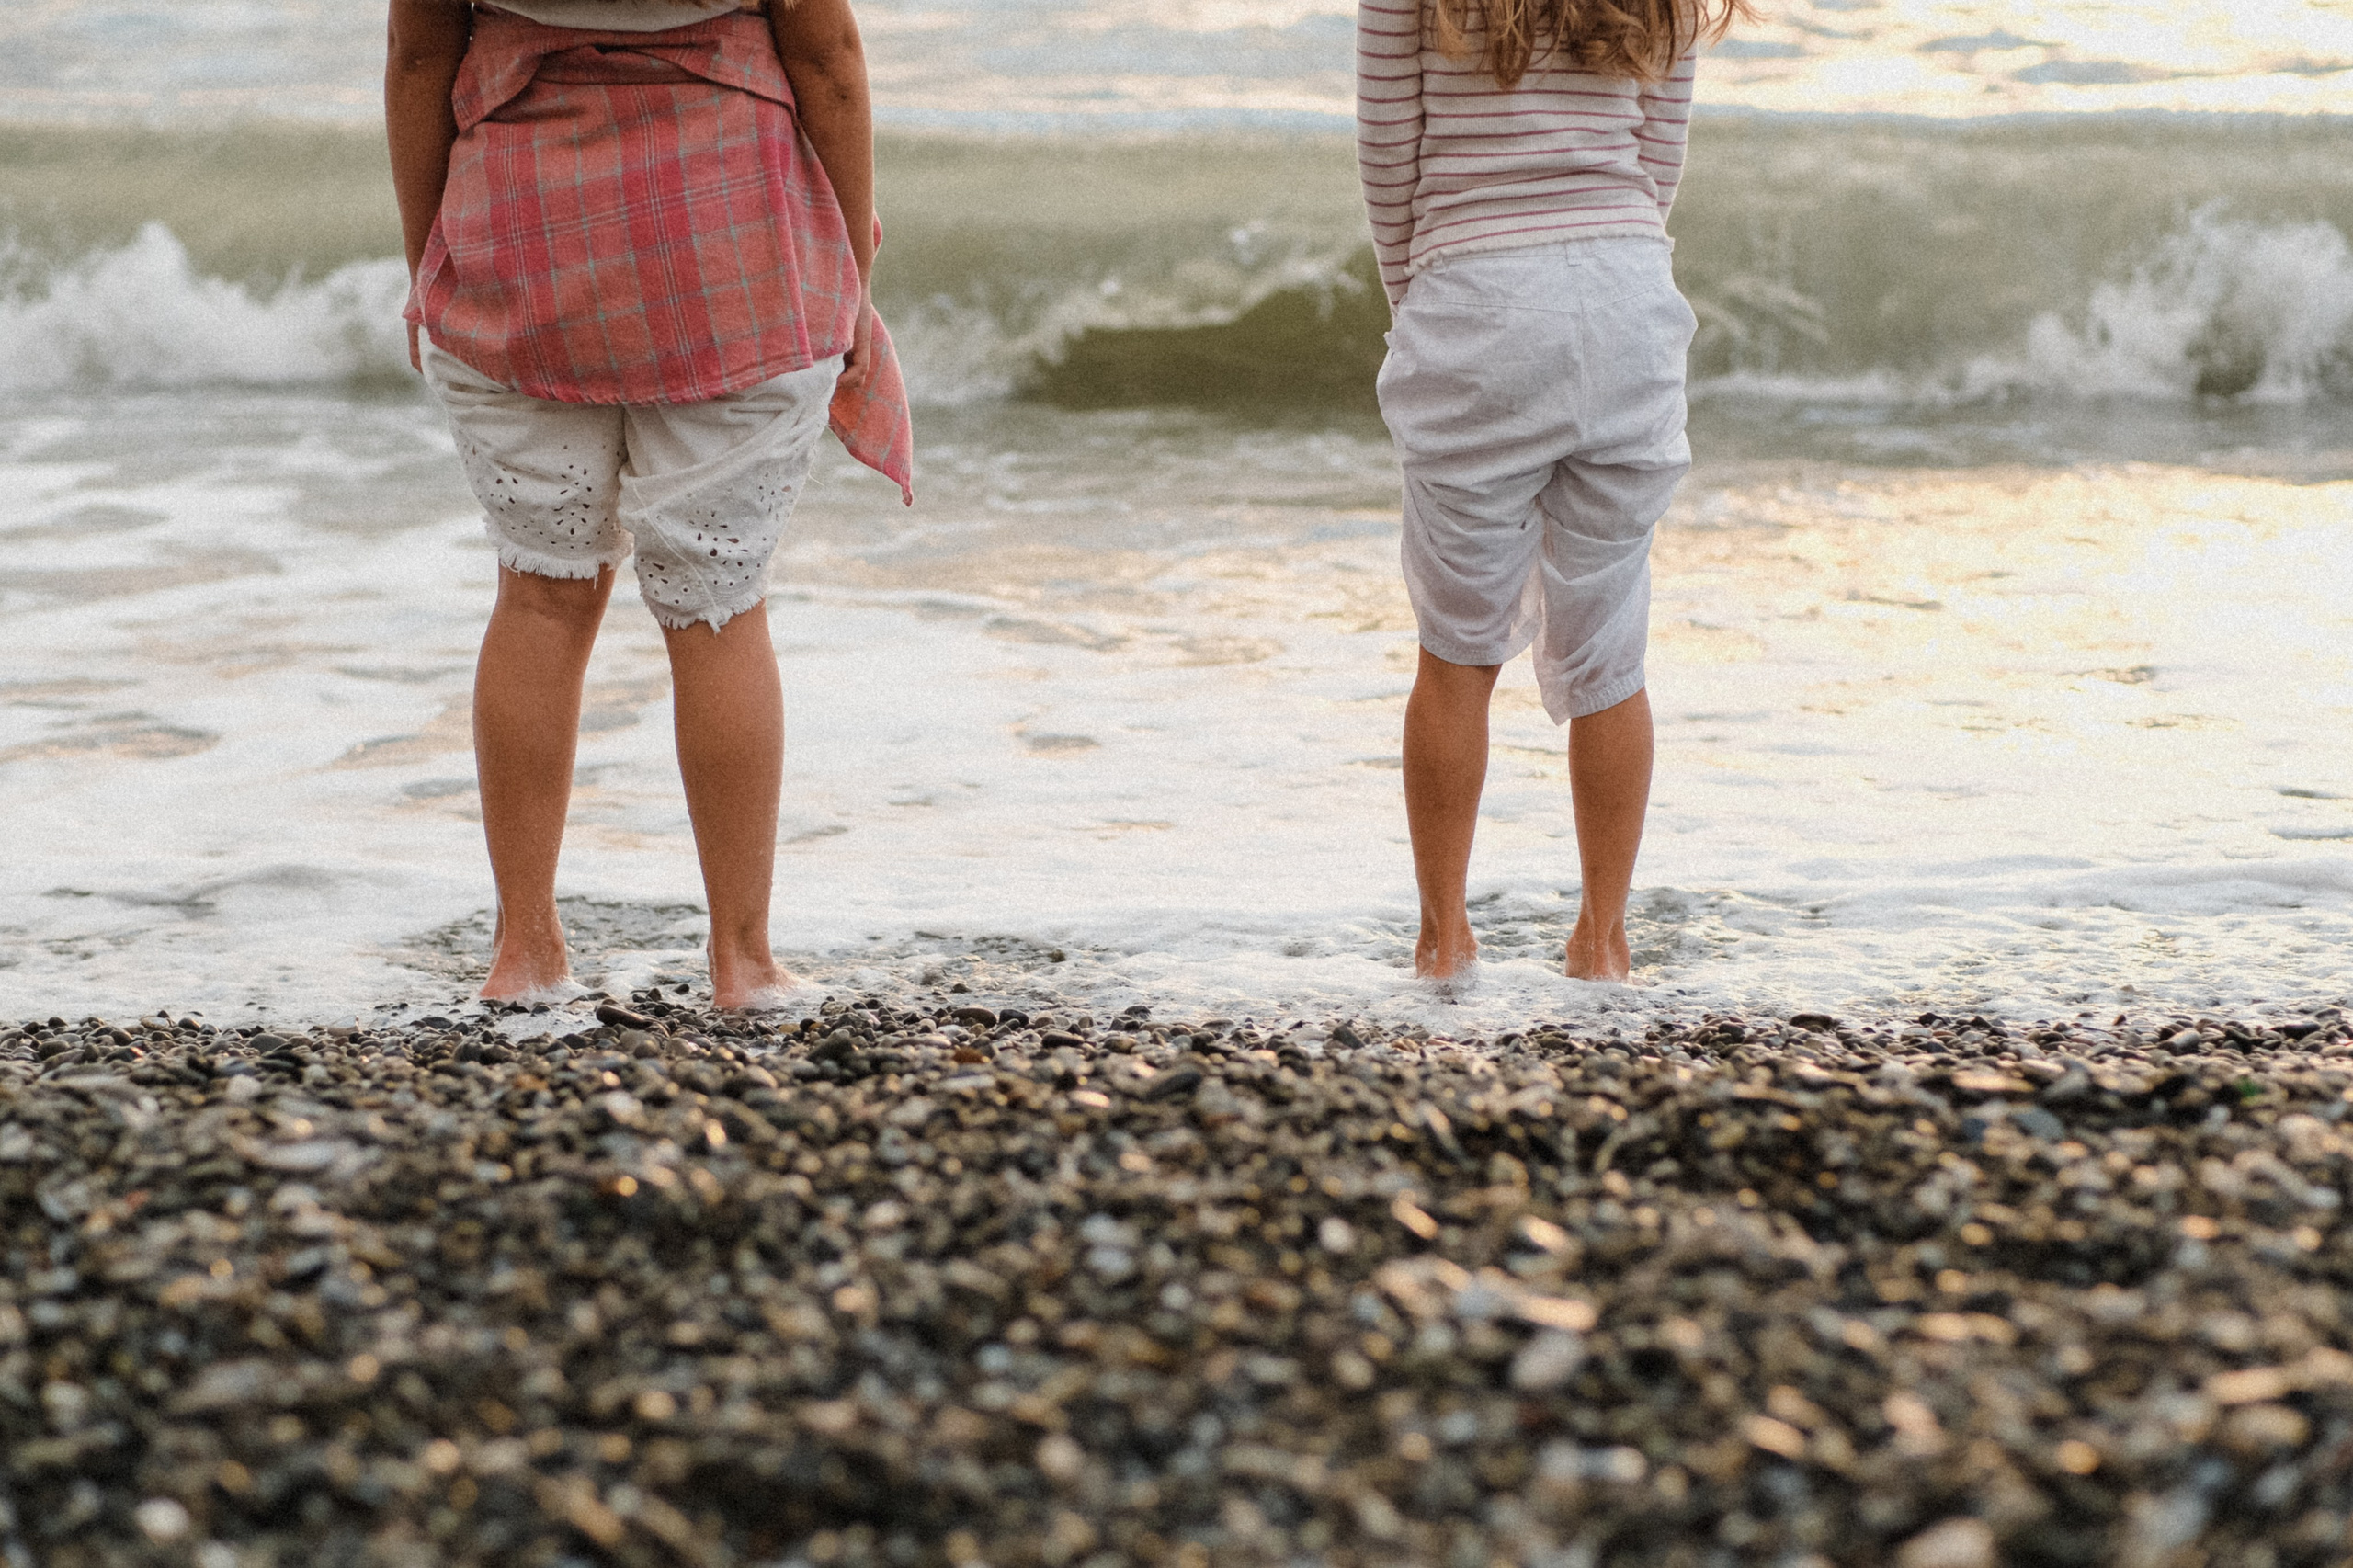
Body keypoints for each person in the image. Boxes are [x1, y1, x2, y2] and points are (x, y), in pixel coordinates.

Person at [385, 0, 911, 1008]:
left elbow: (418, 57)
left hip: (517, 243)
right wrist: (849, 266)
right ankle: (743, 961)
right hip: (735, 246)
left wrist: (427, 263)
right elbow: (828, 58)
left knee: (540, 593)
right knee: (715, 603)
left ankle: (525, 952)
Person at [1357, 0, 1747, 987]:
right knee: (1610, 642)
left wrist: (1423, 302)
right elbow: (1661, 155)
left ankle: (1443, 942)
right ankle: (1601, 944)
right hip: (1625, 288)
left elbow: (1387, 152)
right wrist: (1603, 276)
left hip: (1475, 293)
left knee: (1456, 648)